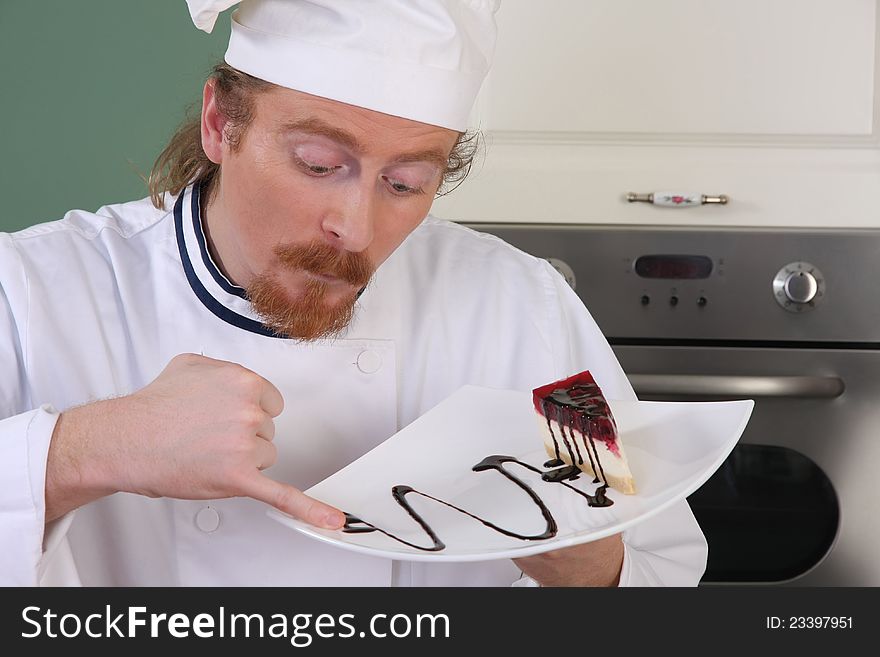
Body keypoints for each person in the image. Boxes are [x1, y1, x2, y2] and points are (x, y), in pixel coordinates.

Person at [0, 0, 707, 586]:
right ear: (221, 124)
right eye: (319, 164)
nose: (355, 226)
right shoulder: (33, 295)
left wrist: (598, 570)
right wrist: (80, 448)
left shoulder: (519, 308)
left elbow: (662, 572)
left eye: (405, 184)